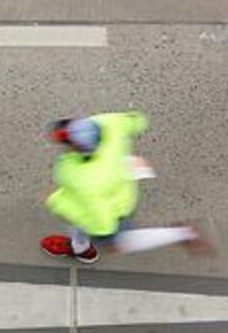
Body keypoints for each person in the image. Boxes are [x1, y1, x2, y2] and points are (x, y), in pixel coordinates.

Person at [40, 111, 210, 262]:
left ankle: (181, 234)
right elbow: (137, 120)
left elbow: (100, 221)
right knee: (82, 225)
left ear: (79, 148)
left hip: (110, 212)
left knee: (118, 242)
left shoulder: (79, 176)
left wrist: (56, 202)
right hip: (122, 196)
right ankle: (81, 249)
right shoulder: (110, 124)